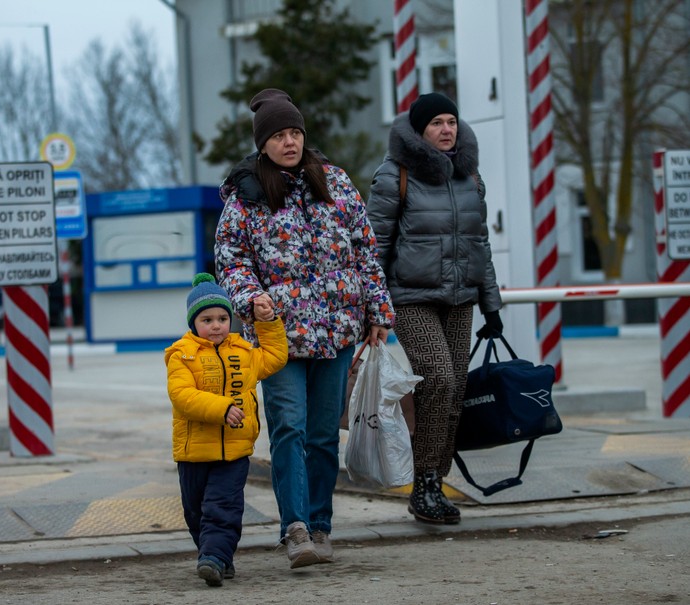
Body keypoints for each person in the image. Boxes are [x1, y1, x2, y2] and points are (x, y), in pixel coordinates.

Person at [214, 88, 395, 569]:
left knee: (321, 434)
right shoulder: (246, 195)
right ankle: (295, 528)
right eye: (278, 136)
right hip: (279, 338)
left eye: (295, 132)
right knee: (289, 428)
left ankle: (321, 525)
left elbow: (364, 248)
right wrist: (251, 298)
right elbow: (231, 260)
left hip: (336, 331)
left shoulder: (334, 182)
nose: (289, 142)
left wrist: (378, 312)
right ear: (263, 144)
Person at [366, 92, 503, 525]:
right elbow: (373, 246)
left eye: (452, 122)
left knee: (455, 388)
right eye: (437, 123)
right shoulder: (395, 174)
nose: (447, 130)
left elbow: (480, 243)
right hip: (411, 298)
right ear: (419, 131)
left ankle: (432, 484)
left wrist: (492, 305)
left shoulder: (470, 176)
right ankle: (422, 480)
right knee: (439, 378)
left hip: (460, 299)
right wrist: (373, 308)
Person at [164, 272, 288, 587]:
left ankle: (214, 557)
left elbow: (275, 357)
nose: (217, 325)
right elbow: (182, 396)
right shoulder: (182, 355)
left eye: (222, 318)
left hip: (234, 450)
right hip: (193, 453)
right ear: (193, 323)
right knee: (195, 512)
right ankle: (218, 556)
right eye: (207, 320)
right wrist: (221, 409)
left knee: (223, 507)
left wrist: (267, 322)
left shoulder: (243, 352)